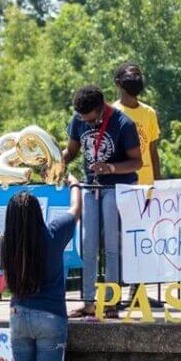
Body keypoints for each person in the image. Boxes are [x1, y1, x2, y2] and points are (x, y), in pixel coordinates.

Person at [53, 85, 142, 319]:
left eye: (87, 117)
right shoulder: (78, 119)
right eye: (81, 117)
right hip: (91, 186)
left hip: (116, 186)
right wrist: (55, 161)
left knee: (112, 245)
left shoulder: (124, 124)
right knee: (87, 243)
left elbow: (136, 162)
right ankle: (88, 301)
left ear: (100, 109)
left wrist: (110, 167)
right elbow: (71, 152)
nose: (83, 121)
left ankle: (112, 302)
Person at [0, 187, 83, 361]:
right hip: (50, 316)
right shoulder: (53, 233)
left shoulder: (5, 242)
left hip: (18, 314)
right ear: (38, 212)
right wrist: (75, 185)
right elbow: (76, 209)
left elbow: (7, 280)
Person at [112, 64, 160, 186]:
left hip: (147, 184)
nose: (136, 78)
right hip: (123, 184)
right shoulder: (112, 114)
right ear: (118, 83)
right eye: (131, 75)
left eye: (138, 75)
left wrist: (158, 182)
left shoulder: (149, 113)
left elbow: (152, 150)